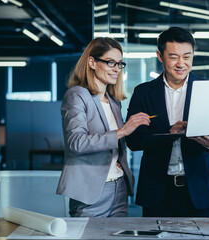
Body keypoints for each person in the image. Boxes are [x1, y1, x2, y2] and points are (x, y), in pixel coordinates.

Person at [125, 27, 209, 217]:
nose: (181, 63)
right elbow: (133, 141)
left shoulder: (208, 89)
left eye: (187, 57)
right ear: (160, 56)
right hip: (157, 190)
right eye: (174, 57)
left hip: (199, 189)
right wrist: (170, 134)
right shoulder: (143, 92)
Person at [56, 37, 151, 217]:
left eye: (120, 64)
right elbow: (76, 143)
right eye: (110, 62)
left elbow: (112, 145)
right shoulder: (77, 95)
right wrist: (122, 131)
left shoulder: (113, 101)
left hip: (118, 188)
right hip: (91, 191)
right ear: (92, 62)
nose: (116, 69)